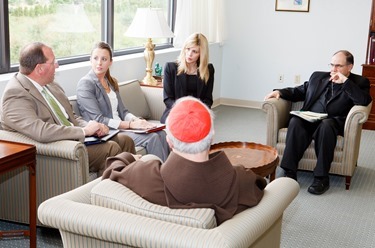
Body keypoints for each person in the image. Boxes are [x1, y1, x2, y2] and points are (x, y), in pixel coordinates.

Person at [102, 96, 267, 225]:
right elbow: (260, 187)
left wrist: (131, 157)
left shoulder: (146, 175)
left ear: (169, 142)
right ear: (212, 137)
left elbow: (112, 169)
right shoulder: (238, 180)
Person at [1, 42, 136, 176]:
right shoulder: (15, 94)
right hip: (63, 148)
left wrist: (92, 126)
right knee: (111, 149)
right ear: (40, 68)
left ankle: (133, 185)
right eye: (53, 62)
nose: (57, 66)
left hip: (76, 138)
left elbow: (71, 116)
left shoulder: (52, 85)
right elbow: (41, 131)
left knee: (125, 140)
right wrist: (84, 131)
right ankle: (112, 193)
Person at [264, 50, 372, 195]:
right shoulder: (318, 77)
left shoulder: (359, 82)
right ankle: (289, 172)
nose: (333, 70)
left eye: (339, 66)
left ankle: (321, 177)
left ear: (350, 67)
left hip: (333, 122)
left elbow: (364, 101)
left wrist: (345, 83)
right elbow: (300, 91)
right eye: (332, 65)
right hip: (310, 117)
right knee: (296, 121)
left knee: (326, 126)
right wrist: (280, 92)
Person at [76, 41, 170, 161]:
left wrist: (137, 120)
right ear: (90, 60)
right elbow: (98, 119)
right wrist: (131, 125)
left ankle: (167, 172)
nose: (99, 63)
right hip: (109, 132)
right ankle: (158, 176)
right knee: (152, 138)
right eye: (95, 58)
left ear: (110, 62)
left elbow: (123, 111)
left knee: (161, 133)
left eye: (104, 59)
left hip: (122, 127)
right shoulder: (86, 84)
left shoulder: (110, 82)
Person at [160, 33, 215, 123]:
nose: (189, 54)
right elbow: (168, 99)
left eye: (195, 51)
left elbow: (208, 99)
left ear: (202, 54)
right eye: (188, 49)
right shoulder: (171, 67)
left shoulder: (208, 70)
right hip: (175, 113)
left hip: (198, 114)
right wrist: (183, 112)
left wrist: (196, 113)